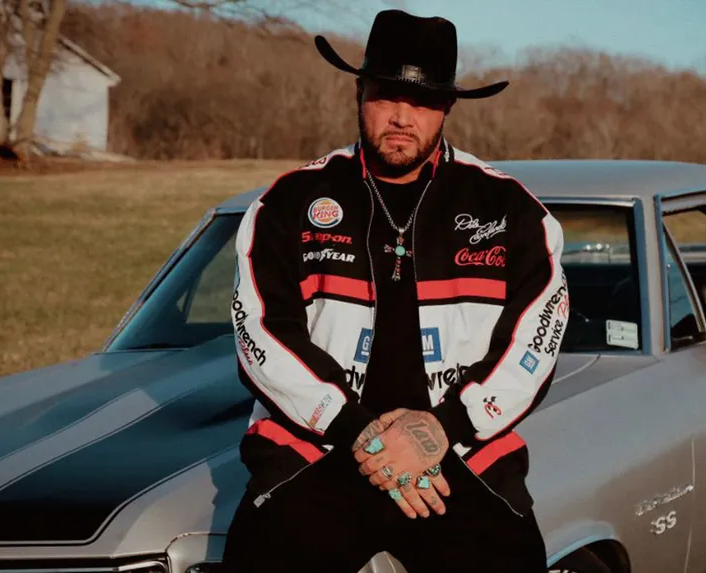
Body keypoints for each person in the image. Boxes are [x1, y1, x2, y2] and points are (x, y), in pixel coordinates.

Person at [221, 8, 569, 573]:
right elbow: (260, 334)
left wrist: (440, 428)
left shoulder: (510, 210)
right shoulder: (288, 202)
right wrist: (362, 435)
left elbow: (536, 341)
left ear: (447, 107)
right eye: (386, 95)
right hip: (318, 448)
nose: (402, 117)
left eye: (424, 101)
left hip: (461, 450)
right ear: (359, 92)